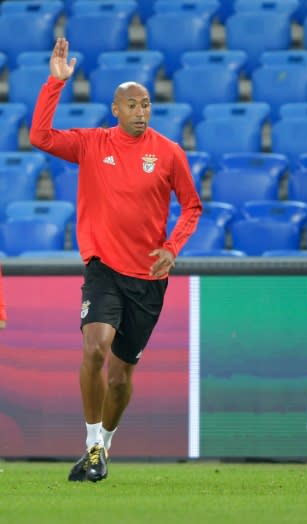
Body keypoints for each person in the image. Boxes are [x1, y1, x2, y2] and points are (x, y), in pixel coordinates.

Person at [29, 38, 202, 482]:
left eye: (146, 104)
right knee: (95, 347)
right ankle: (90, 441)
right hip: (103, 267)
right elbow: (40, 137)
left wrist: (173, 247)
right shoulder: (91, 144)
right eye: (132, 105)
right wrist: (55, 82)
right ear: (115, 109)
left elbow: (192, 206)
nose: (141, 111)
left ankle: (102, 446)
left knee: (122, 375)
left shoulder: (168, 153)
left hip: (148, 277)